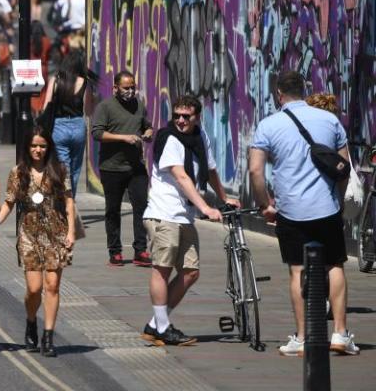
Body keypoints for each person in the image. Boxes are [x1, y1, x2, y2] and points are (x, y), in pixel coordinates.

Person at [249, 70, 358, 356]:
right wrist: (338, 199)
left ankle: (302, 337)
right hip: (326, 208)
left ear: (279, 94)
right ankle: (339, 334)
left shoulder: (268, 125)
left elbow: (255, 170)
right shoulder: (330, 120)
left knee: (297, 269)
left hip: (290, 210)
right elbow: (343, 167)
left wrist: (265, 205)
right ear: (305, 91)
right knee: (334, 265)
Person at [141, 94, 233, 346]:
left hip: (183, 216)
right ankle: (162, 327)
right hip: (163, 214)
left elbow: (211, 170)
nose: (181, 120)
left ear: (196, 117)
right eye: (177, 116)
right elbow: (181, 177)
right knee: (162, 270)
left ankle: (155, 324)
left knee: (191, 272)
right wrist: (206, 207)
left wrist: (223, 200)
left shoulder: (199, 137)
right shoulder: (168, 138)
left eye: (186, 116)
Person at [0, 126, 75, 356]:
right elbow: (9, 202)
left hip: (56, 234)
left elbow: (69, 202)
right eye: (33, 146)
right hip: (29, 235)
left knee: (52, 286)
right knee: (34, 288)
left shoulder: (59, 170)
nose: (38, 150)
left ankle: (48, 337)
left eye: (42, 145)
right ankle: (31, 320)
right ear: (27, 148)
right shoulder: (18, 172)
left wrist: (71, 233)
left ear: (48, 146)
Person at [91, 70, 154, 267]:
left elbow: (147, 126)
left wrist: (149, 133)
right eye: (126, 88)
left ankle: (141, 250)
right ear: (115, 88)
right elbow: (97, 133)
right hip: (111, 167)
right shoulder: (105, 107)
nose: (130, 91)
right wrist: (123, 137)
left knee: (142, 207)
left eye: (133, 87)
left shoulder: (139, 105)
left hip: (136, 167)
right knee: (112, 210)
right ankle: (115, 251)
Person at [43, 50, 97, 198]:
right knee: (75, 168)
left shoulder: (56, 80)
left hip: (58, 127)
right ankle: (70, 203)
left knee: (62, 168)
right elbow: (88, 110)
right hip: (78, 126)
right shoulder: (85, 82)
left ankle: (64, 205)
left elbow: (46, 106)